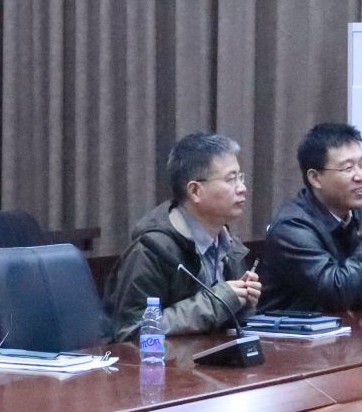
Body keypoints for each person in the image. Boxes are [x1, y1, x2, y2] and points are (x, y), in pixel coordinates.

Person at [105, 132, 262, 340]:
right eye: (231, 179)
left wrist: (243, 302)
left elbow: (224, 321)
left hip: (209, 357)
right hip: (162, 361)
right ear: (195, 191)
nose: (242, 188)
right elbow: (132, 331)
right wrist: (216, 303)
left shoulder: (228, 244)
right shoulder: (152, 249)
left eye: (240, 177)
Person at [257, 122, 362, 313]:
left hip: (350, 325)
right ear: (315, 178)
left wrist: (353, 291)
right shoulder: (291, 226)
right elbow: (336, 292)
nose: (361, 176)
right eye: (348, 168)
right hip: (290, 330)